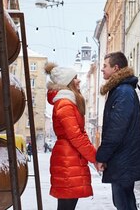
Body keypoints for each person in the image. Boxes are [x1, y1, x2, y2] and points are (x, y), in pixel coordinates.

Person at [96, 52, 140, 210]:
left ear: (116, 68)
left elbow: (116, 129)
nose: (102, 70)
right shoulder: (120, 90)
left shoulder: (123, 92)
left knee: (123, 203)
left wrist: (102, 156)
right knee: (124, 202)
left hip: (123, 159)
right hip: (123, 158)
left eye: (105, 66)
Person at [46, 62, 98, 210]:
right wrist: (94, 157)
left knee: (67, 205)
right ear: (67, 83)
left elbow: (80, 133)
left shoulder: (69, 102)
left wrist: (93, 156)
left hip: (70, 157)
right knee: (66, 206)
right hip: (67, 159)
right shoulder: (65, 104)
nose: (79, 80)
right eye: (75, 78)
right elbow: (76, 136)